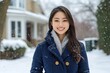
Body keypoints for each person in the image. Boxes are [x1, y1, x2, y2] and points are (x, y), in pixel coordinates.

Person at [30, 6, 90, 73]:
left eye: (64, 20)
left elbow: (84, 71)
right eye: (56, 20)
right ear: (51, 23)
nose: (60, 24)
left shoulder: (79, 47)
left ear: (69, 23)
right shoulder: (42, 47)